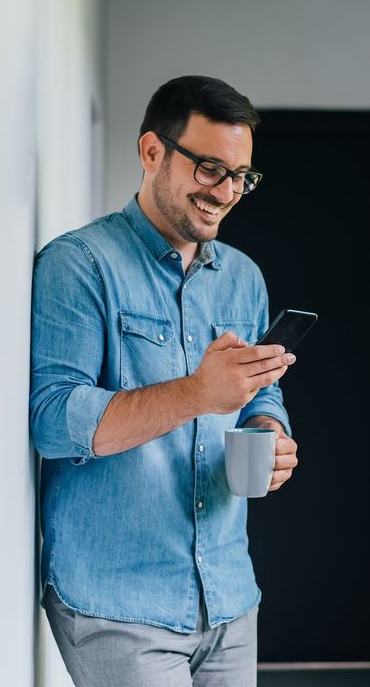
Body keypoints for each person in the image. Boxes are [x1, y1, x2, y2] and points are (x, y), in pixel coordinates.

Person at [29, 75, 299, 686]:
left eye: (241, 176)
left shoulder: (243, 278)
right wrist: (196, 394)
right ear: (153, 152)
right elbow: (52, 419)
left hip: (229, 594)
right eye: (209, 168)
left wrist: (268, 427)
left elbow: (261, 389)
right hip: (118, 604)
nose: (226, 192)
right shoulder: (80, 265)